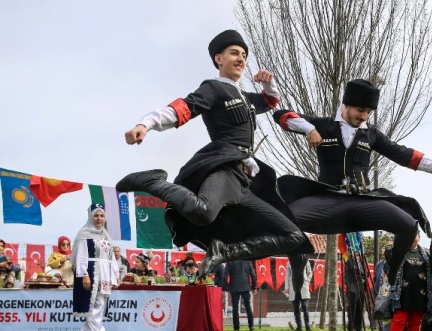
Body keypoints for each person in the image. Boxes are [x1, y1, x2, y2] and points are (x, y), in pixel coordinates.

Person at [116, 29, 311, 280]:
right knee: (202, 212)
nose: (241, 58)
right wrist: (146, 124)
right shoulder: (214, 88)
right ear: (219, 59)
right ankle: (153, 181)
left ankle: (225, 250)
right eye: (234, 53)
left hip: (243, 182)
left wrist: (267, 83)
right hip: (224, 168)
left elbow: (271, 102)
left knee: (293, 236)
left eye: (243, 54)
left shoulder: (246, 97)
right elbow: (183, 108)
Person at [273, 78, 432, 291]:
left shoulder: (371, 134)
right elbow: (280, 115)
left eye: (369, 112)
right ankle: (297, 267)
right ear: (346, 105)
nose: (364, 116)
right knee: (286, 220)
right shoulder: (323, 125)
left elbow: (404, 154)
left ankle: (393, 272)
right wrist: (308, 129)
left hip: (361, 199)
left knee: (409, 224)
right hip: (326, 197)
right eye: (360, 110)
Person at [71, 204, 119, 331]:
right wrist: (84, 274)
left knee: (99, 304)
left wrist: (114, 276)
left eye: (102, 215)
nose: (99, 219)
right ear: (90, 217)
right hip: (92, 272)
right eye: (96, 215)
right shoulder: (84, 234)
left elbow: (111, 258)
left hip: (105, 273)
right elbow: (81, 256)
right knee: (94, 304)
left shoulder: (105, 235)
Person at [387, 232, 432, 331]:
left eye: (416, 235)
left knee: (416, 321)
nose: (413, 237)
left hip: (421, 292)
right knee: (399, 320)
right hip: (402, 292)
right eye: (411, 234)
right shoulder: (399, 251)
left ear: (419, 237)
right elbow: (389, 259)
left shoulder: (426, 253)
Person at [223, 260, 257, 331]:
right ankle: (251, 325)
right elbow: (253, 274)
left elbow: (225, 275)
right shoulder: (248, 261)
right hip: (245, 286)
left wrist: (225, 287)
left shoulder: (230, 261)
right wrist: (254, 287)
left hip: (234, 286)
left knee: (235, 307)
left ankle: (236, 326)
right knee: (248, 307)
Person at [284, 258, 313, 331]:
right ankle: (299, 326)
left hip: (304, 286)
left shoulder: (305, 261)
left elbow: (310, 272)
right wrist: (286, 287)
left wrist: (307, 280)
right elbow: (287, 276)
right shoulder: (289, 262)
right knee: (296, 308)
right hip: (293, 287)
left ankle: (307, 326)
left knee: (305, 307)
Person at [344, 257, 365, 331]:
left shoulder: (360, 261)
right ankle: (351, 326)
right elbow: (354, 270)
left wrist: (364, 274)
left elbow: (363, 272)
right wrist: (362, 274)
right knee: (353, 307)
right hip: (352, 287)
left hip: (360, 286)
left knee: (360, 307)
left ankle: (359, 326)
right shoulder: (349, 260)